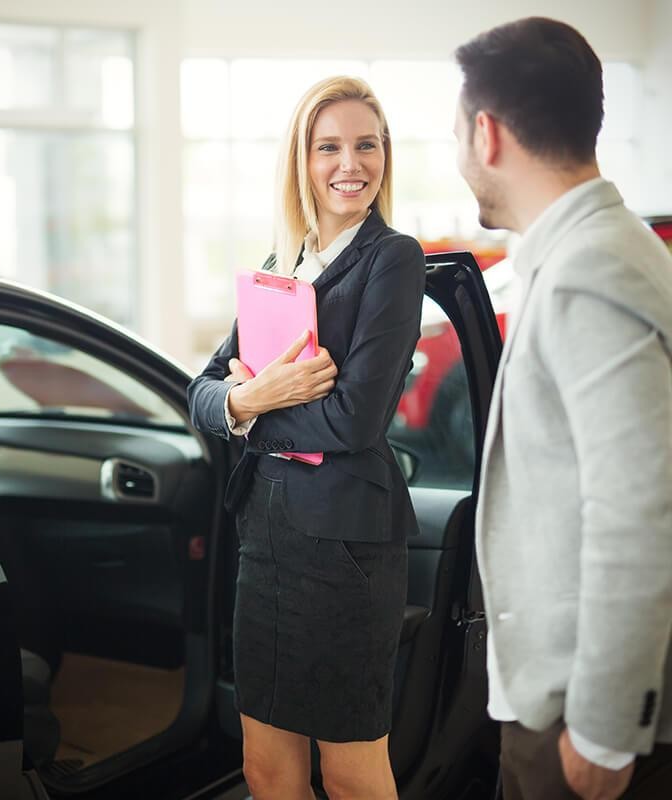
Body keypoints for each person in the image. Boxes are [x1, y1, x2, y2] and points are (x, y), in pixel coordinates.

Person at [188, 76, 425, 800]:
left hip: (346, 549)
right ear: (303, 158)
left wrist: (252, 410)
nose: (350, 164)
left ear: (385, 156)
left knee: (349, 769)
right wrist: (248, 397)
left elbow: (356, 419)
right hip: (267, 535)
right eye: (330, 147)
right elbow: (199, 392)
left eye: (366, 145)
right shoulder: (277, 267)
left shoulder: (392, 258)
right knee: (264, 760)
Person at [453, 17, 672, 800]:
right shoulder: (610, 249)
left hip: (585, 721)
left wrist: (609, 725)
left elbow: (639, 509)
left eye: (458, 136)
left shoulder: (589, 274)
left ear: (487, 134)